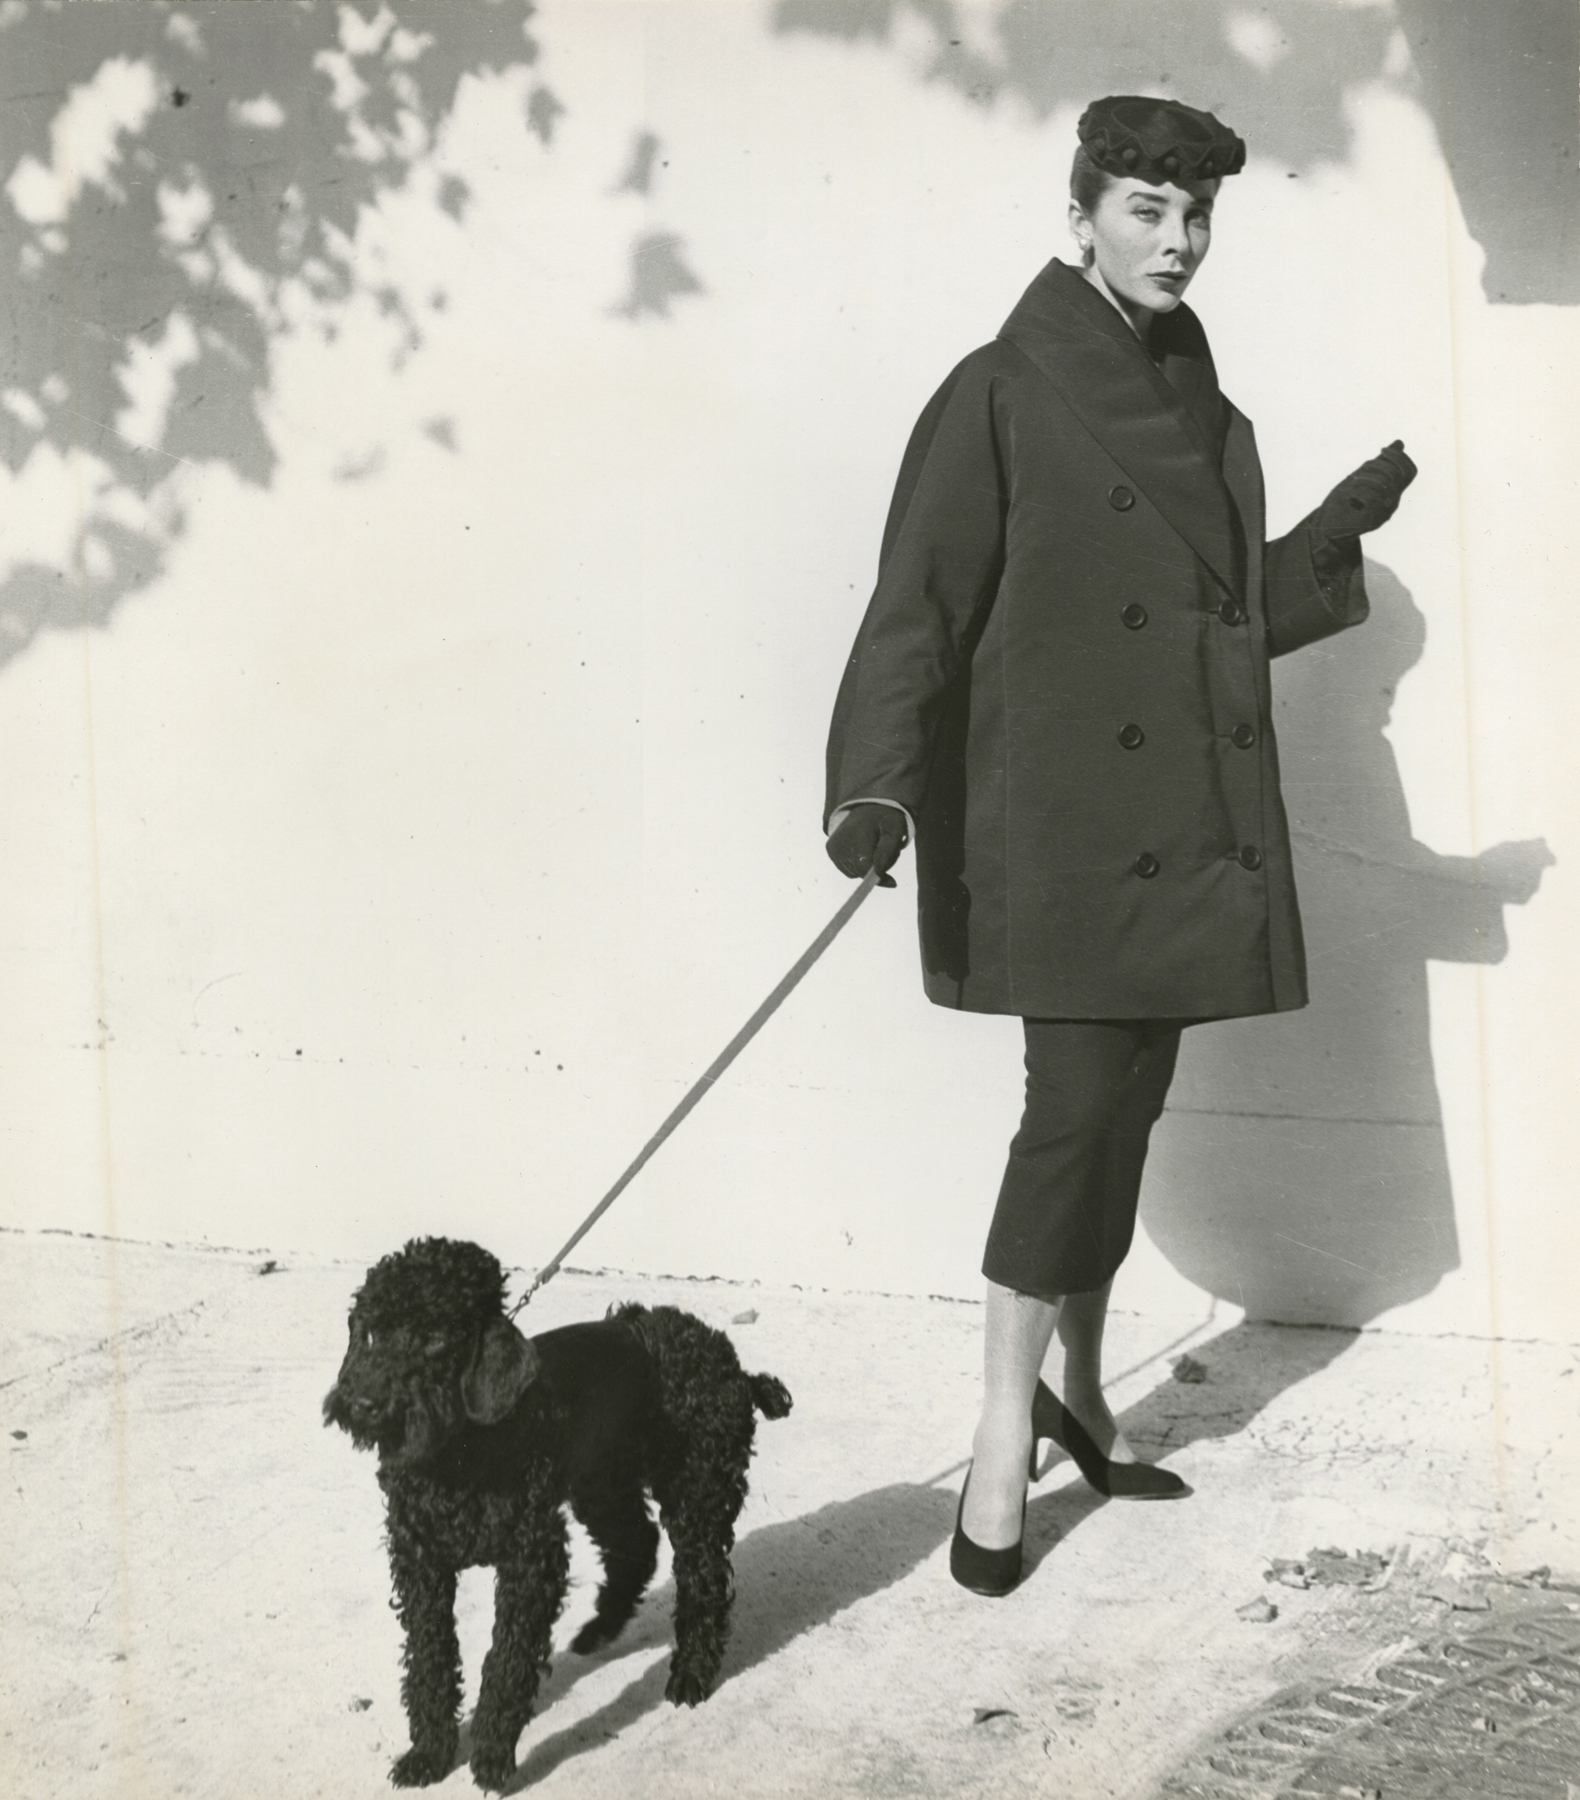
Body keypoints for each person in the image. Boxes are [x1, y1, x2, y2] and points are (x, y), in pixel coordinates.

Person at [822, 95, 1416, 1596]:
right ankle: (997, 1436)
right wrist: (876, 787)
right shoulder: (1001, 392)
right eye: (1148, 211)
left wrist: (1320, 553)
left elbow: (1210, 633)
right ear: (1079, 215)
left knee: (1126, 1105)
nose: (1179, 241)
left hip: (1172, 830)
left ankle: (1081, 1399)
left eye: (1197, 214)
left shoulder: (1212, 416)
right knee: (1076, 1117)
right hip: (1062, 837)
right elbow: (918, 606)